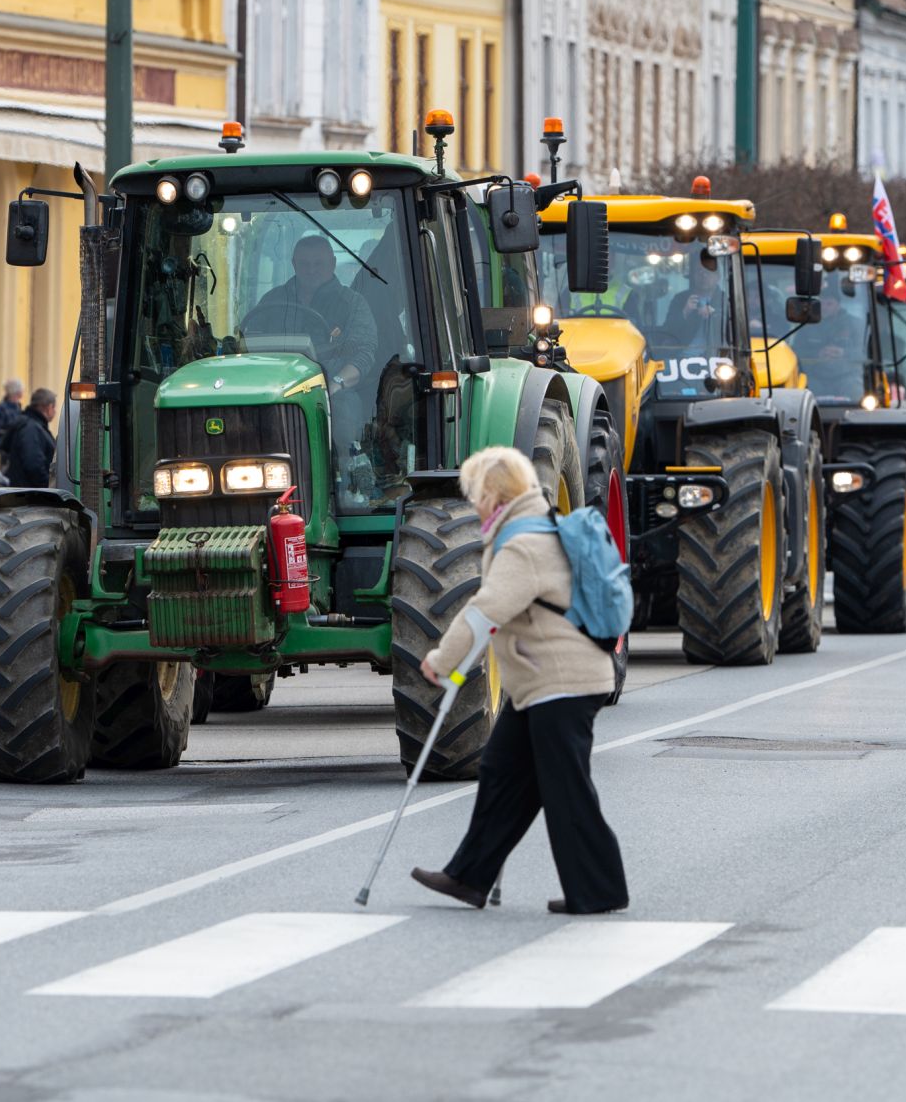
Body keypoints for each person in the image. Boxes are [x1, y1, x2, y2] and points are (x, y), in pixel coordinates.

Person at [410, 446, 627, 916]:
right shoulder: (528, 529)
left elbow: (486, 610)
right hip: (540, 685)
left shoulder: (524, 544)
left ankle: (599, 890)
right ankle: (469, 876)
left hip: (562, 684)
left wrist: (442, 661)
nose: (472, 503)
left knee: (566, 789)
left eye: (474, 493)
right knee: (503, 775)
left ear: (492, 494)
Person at [250, 235, 376, 482]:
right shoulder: (272, 302)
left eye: (318, 263)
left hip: (332, 392)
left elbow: (364, 353)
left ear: (331, 263)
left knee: (345, 413)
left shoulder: (352, 304)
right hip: (274, 393)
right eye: (305, 263)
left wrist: (336, 383)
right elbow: (250, 343)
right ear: (294, 263)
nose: (311, 269)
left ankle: (346, 482)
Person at [1, 387, 58, 487]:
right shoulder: (31, 428)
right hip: (32, 496)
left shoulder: (32, 425)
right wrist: (48, 487)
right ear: (49, 408)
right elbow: (33, 464)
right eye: (54, 407)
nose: (55, 411)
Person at [0, 379, 25, 453]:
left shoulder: (18, 408)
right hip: (9, 454)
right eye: (22, 390)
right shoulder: (1, 410)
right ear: (17, 392)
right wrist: (3, 450)